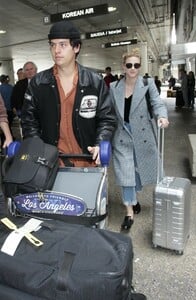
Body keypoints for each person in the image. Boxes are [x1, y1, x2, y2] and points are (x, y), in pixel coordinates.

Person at [21, 20, 116, 168]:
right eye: (52, 45)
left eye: (62, 44)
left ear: (76, 47)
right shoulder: (39, 83)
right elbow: (29, 120)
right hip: (50, 164)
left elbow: (107, 119)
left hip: (87, 161)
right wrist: (38, 149)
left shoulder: (94, 82)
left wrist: (99, 143)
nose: (56, 50)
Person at [110, 48, 169, 231]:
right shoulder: (114, 87)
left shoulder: (147, 83)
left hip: (142, 135)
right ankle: (129, 212)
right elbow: (110, 113)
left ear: (140, 66)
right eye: (129, 65)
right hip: (122, 136)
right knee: (125, 173)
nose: (133, 68)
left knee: (144, 169)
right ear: (123, 67)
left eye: (136, 65)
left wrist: (162, 116)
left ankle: (142, 199)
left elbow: (157, 102)